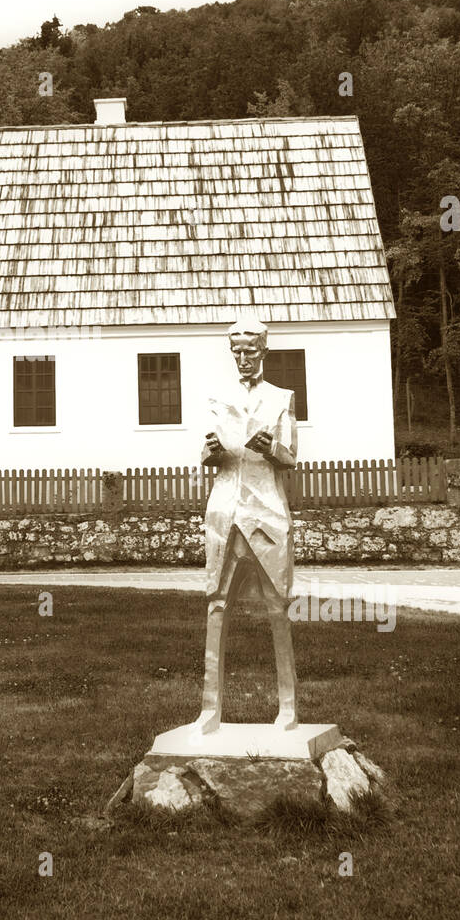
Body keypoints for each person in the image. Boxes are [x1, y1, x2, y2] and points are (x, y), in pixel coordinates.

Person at [191, 313, 298, 733]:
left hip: (267, 511)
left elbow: (291, 456)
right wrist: (211, 450)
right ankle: (209, 710)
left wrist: (271, 446)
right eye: (236, 352)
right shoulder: (217, 398)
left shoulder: (282, 398)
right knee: (217, 606)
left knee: (278, 609)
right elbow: (204, 452)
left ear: (264, 352)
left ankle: (287, 708)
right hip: (224, 512)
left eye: (249, 352)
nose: (243, 359)